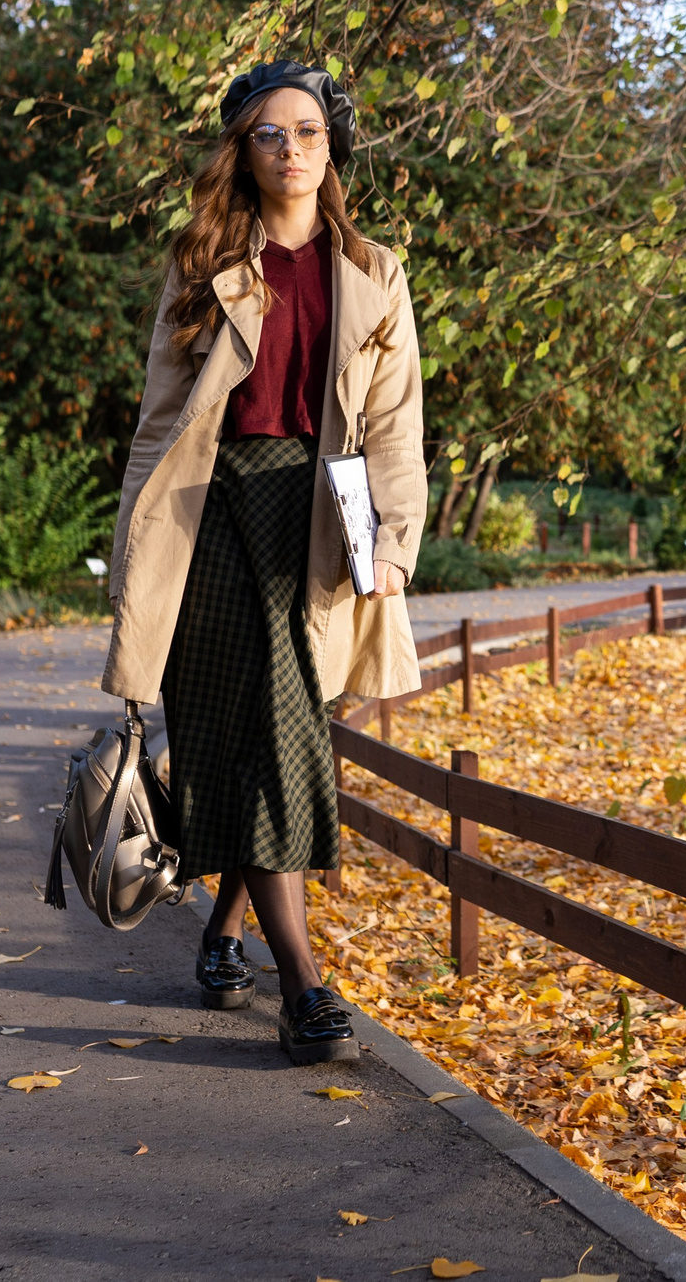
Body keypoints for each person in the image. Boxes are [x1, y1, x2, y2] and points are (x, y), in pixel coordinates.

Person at [100, 59, 426, 1064]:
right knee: (260, 729)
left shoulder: (372, 273)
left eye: (308, 132)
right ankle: (304, 986)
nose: (290, 150)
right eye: (269, 134)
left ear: (332, 149)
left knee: (281, 726)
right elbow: (160, 418)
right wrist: (134, 556)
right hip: (208, 515)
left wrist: (393, 548)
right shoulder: (201, 262)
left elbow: (395, 425)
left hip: (320, 516)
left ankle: (224, 927)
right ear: (242, 150)